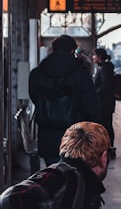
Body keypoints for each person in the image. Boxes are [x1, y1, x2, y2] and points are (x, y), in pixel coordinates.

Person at [28, 35, 99, 172]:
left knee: (53, 172)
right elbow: (90, 104)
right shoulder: (81, 74)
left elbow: (35, 98)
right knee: (73, 173)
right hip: (75, 134)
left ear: (52, 50)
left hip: (47, 132)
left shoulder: (37, 73)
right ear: (72, 51)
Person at [91, 47, 117, 158]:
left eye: (94, 55)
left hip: (104, 103)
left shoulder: (106, 69)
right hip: (105, 103)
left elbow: (105, 85)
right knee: (106, 126)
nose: (93, 57)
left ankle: (109, 149)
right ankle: (108, 149)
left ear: (99, 57)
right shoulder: (104, 68)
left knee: (106, 126)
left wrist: (95, 94)